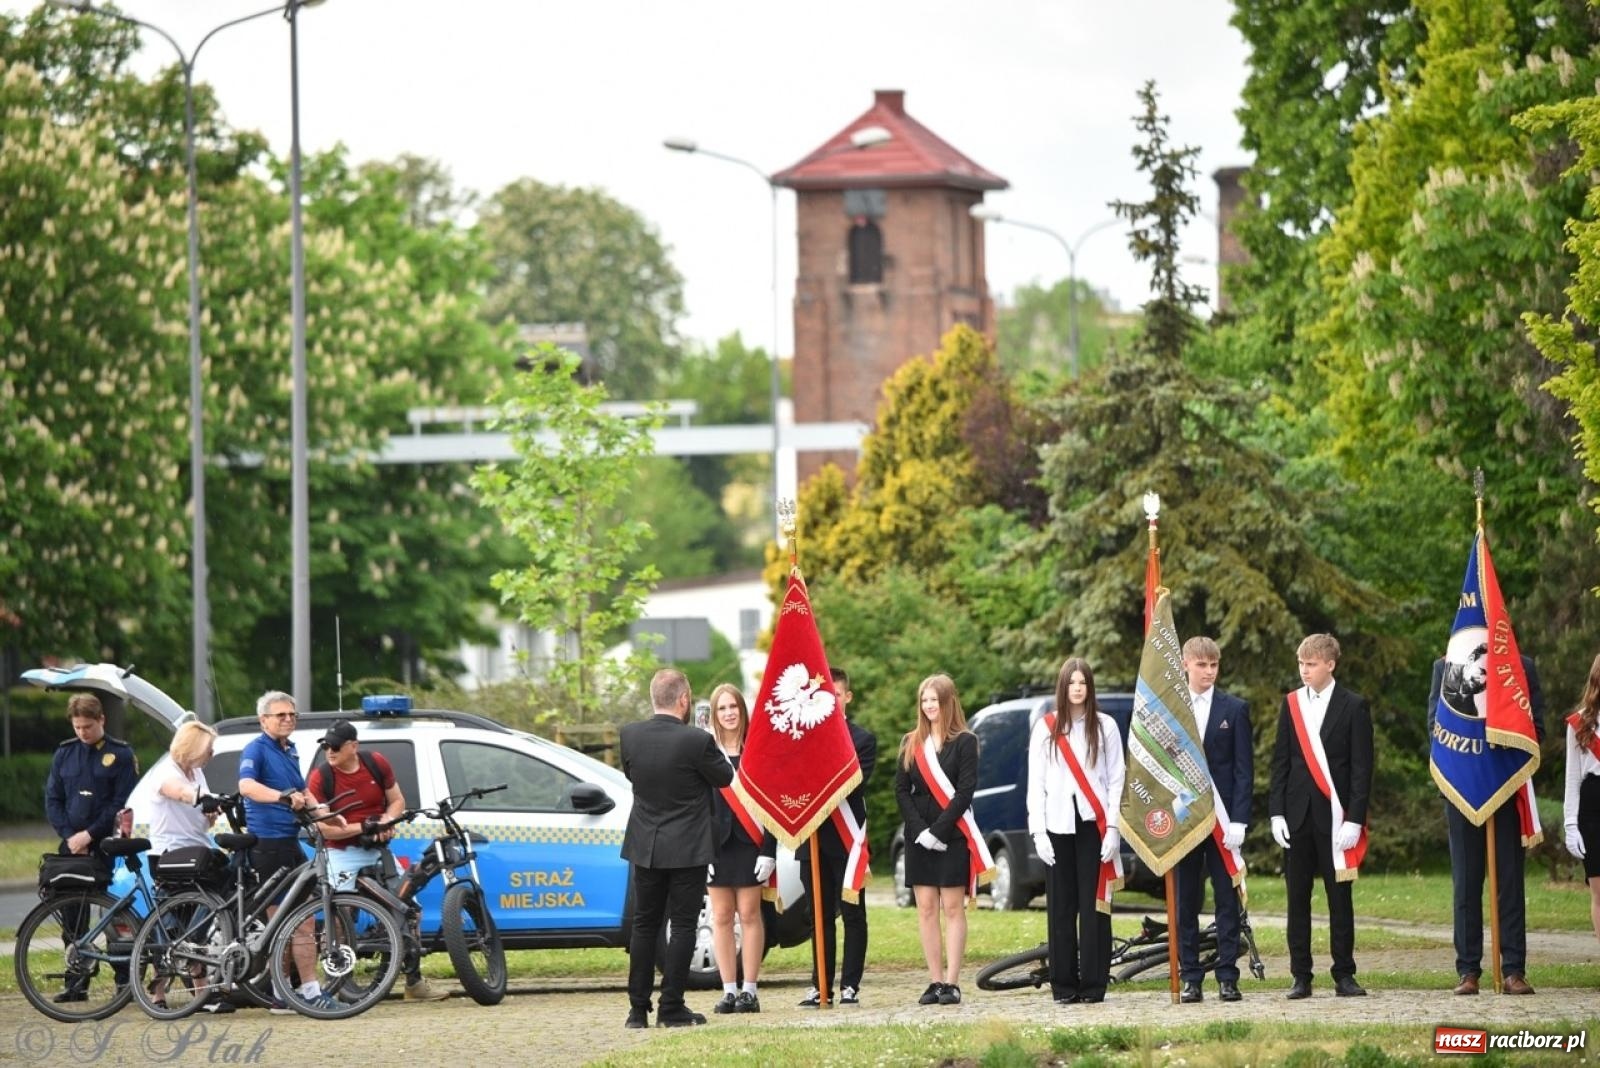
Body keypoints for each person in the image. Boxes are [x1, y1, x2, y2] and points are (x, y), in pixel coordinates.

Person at [620, 669, 734, 1029]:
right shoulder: (695, 741)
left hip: (645, 846)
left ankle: (637, 1011)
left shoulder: (630, 736)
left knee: (643, 925)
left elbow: (632, 775)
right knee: (683, 926)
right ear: (684, 700)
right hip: (687, 848)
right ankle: (671, 1006)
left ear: (654, 697)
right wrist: (708, 741)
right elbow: (725, 776)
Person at [306, 719, 447, 1001]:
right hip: (341, 852)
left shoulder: (376, 763)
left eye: (335, 746)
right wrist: (364, 828)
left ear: (353, 746)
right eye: (325, 747)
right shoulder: (321, 778)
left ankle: (414, 982)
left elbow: (397, 800)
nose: (329, 752)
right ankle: (335, 986)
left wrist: (385, 820)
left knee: (410, 909)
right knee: (341, 915)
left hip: (378, 852)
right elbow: (323, 827)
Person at [1430, 651, 1545, 996]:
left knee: (1509, 882)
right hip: (1462, 791)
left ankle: (1513, 970)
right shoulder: (1445, 667)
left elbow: (1535, 729)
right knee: (1466, 884)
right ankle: (1468, 971)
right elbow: (1434, 730)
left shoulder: (1522, 667)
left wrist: (1501, 756)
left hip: (1507, 791)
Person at [1269, 633, 1373, 999]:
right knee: (1297, 899)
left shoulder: (1354, 705)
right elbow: (1281, 762)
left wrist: (1355, 820)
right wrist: (1276, 813)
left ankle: (1344, 973)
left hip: (1336, 820)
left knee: (1339, 899)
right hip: (1297, 817)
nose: (1304, 670)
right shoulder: (1292, 704)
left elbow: (1362, 769)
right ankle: (1301, 975)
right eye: (1301, 664)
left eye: (1311, 664)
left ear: (1330, 664)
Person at [1026, 657, 1125, 1005]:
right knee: (1061, 908)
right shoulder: (1046, 727)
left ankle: (1094, 985)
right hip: (1057, 827)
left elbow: (1116, 781)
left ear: (1090, 687)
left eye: (1083, 682)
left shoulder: (1106, 726)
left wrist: (1112, 828)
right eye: (1072, 682)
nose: (1078, 688)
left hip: (1093, 827)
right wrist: (1038, 832)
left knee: (1094, 906)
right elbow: (1035, 784)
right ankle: (1064, 985)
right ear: (1063, 686)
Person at [238, 690, 340, 1014]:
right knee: (283, 923)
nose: (287, 719)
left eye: (291, 715)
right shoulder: (256, 748)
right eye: (280, 715)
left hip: (290, 839)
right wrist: (282, 797)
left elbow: (303, 790)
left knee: (303, 920)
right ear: (263, 719)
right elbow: (247, 787)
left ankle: (295, 992)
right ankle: (295, 992)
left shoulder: (290, 750)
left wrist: (323, 812)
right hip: (268, 844)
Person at [896, 673, 984, 1007]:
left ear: (948, 702)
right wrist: (921, 831)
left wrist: (939, 831)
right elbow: (901, 790)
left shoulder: (965, 742)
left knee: (952, 908)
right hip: (919, 838)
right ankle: (934, 981)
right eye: (925, 700)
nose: (929, 706)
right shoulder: (911, 742)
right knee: (926, 909)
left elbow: (965, 792)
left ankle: (952, 982)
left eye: (935, 699)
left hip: (952, 836)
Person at [42, 693, 137, 1003]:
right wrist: (71, 836)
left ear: (102, 721)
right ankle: (76, 982)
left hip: (107, 844)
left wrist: (89, 834)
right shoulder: (65, 754)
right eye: (77, 727)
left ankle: (124, 981)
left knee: (116, 914)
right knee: (72, 914)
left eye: (88, 726)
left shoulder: (120, 755)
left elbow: (120, 802)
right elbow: (53, 800)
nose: (82, 733)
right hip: (72, 846)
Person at [1173, 638, 1252, 1004]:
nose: (1209, 672)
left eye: (1214, 665)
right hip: (1185, 821)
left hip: (1223, 825)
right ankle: (1190, 977)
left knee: (1226, 901)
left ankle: (1226, 976)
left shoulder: (1233, 709)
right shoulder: (1170, 710)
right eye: (1202, 665)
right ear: (1185, 664)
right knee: (1186, 901)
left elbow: (1242, 771)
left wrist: (1239, 821)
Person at [797, 666, 877, 1008]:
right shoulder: (804, 738)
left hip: (847, 842)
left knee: (853, 913)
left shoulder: (863, 740)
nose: (831, 701)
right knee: (819, 915)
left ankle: (850, 985)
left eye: (837, 695)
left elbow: (855, 781)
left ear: (847, 697)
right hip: (813, 838)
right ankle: (821, 984)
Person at [143, 720, 235, 1014]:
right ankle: (173, 979)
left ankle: (195, 976)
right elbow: (178, 793)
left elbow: (199, 809)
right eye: (208, 749)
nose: (211, 754)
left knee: (181, 920)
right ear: (193, 748)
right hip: (170, 854)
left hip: (195, 850)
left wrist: (211, 811)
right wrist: (201, 797)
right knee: (177, 917)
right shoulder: (165, 772)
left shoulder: (195, 772)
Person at [704, 683, 776, 1015]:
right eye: (722, 708)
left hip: (751, 844)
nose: (729, 713)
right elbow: (699, 805)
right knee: (720, 917)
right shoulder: (706, 753)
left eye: (734, 707)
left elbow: (773, 804)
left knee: (749, 915)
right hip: (717, 847)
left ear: (742, 711)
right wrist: (701, 851)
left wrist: (769, 849)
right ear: (714, 715)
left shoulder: (758, 749)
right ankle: (728, 991)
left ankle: (750, 990)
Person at [1562, 652, 1600, 953]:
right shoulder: (1580, 724)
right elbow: (1572, 779)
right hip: (1593, 807)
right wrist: (1570, 825)